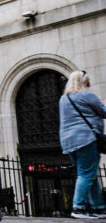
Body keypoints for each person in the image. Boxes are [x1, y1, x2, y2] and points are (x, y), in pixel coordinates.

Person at [59, 70, 106, 219]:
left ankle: (99, 207)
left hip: (68, 141)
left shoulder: (64, 99)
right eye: (88, 79)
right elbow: (103, 112)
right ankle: (78, 208)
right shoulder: (87, 95)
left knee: (88, 174)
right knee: (86, 174)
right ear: (83, 81)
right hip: (86, 138)